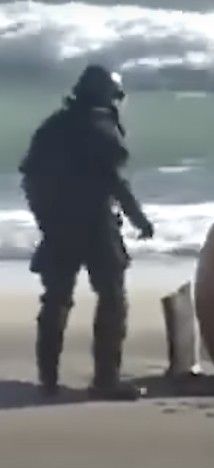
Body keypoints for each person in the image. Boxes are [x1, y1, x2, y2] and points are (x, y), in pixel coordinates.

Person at [19, 65, 154, 400]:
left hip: (59, 225)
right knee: (112, 298)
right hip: (95, 224)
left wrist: (47, 221)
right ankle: (105, 380)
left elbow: (30, 178)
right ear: (108, 97)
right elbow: (113, 180)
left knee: (56, 300)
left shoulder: (53, 126)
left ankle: (47, 381)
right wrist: (139, 219)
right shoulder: (101, 128)